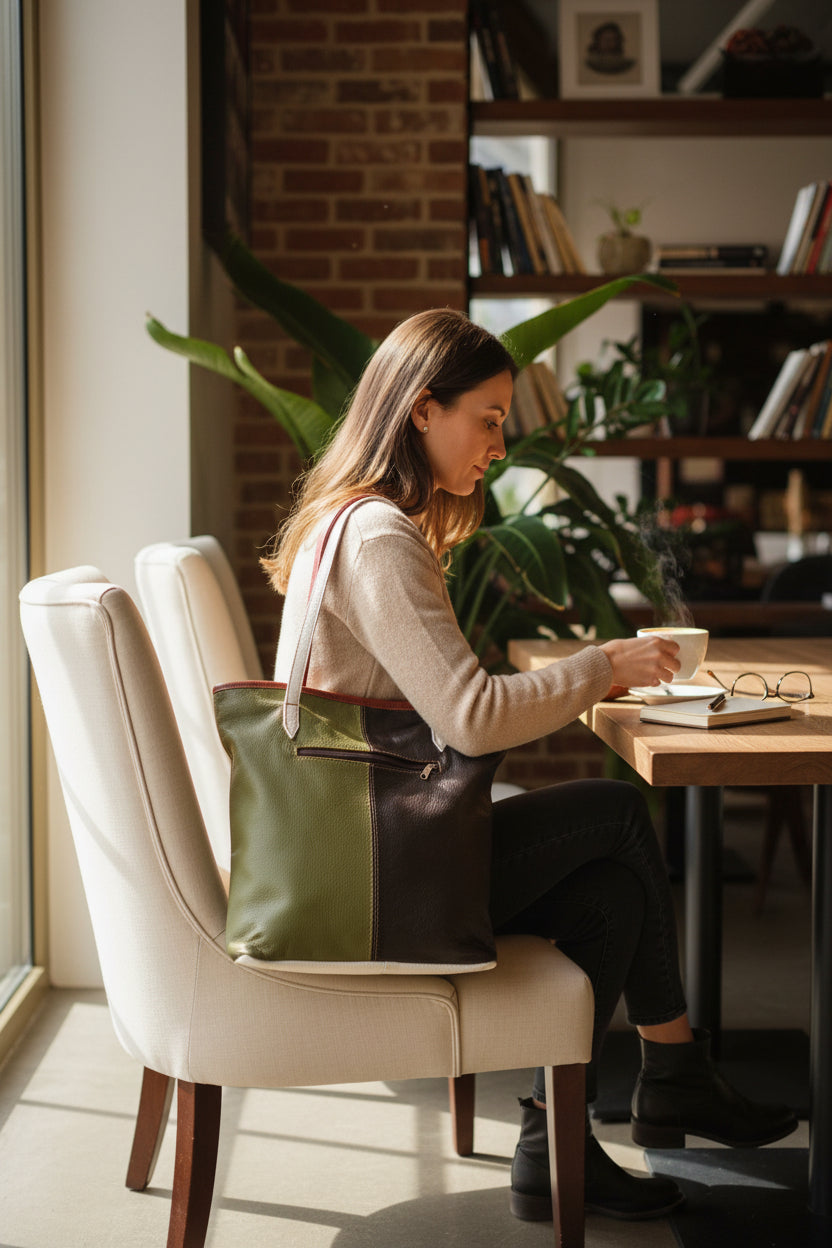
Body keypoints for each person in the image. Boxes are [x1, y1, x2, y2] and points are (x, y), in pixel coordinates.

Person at [263, 308, 798, 1223]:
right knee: (617, 816)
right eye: (490, 418)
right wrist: (603, 667)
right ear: (423, 410)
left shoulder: (344, 522)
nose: (500, 446)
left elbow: (450, 706)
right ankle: (673, 1072)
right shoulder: (379, 538)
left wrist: (595, 673)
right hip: (372, 879)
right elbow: (471, 719)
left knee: (612, 893)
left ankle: (562, 1140)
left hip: (351, 855)